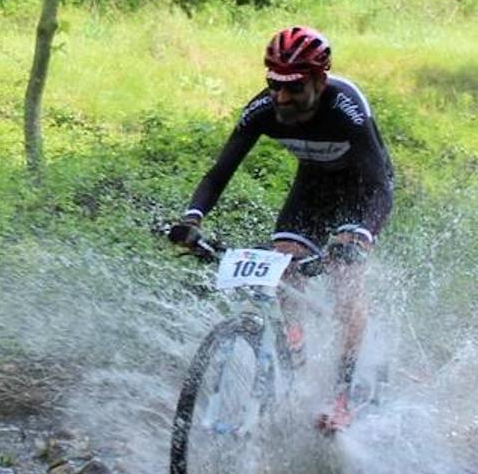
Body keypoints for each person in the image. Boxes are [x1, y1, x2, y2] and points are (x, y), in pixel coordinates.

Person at [168, 25, 394, 432]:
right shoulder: (263, 109)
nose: (282, 97)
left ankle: (342, 396)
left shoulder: (346, 109)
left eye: (294, 88)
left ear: (320, 81)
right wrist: (191, 219)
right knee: (285, 265)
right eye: (274, 84)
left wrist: (358, 241)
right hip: (313, 186)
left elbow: (380, 185)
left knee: (345, 278)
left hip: (362, 190)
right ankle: (296, 351)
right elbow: (220, 172)